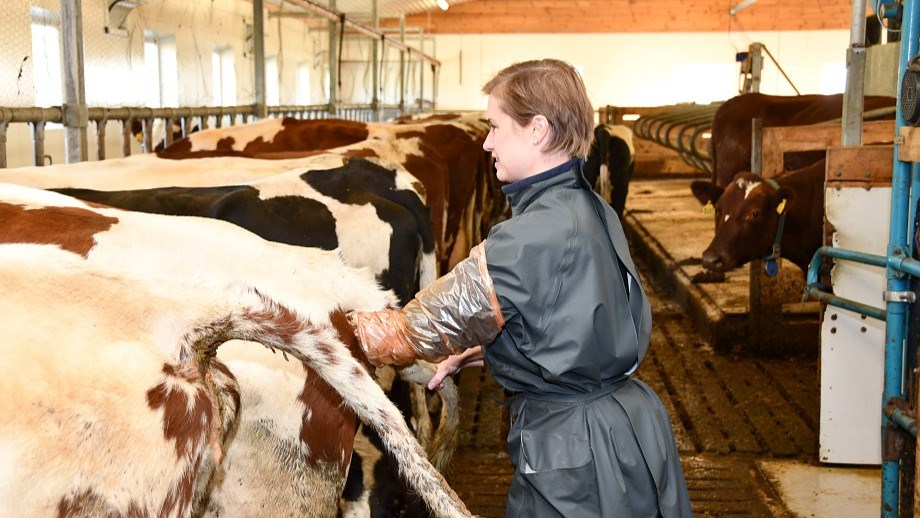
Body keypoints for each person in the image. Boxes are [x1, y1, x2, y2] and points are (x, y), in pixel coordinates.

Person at [348, 59, 692, 517]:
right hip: (627, 430)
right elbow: (575, 320)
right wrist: (491, 350)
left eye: (495, 126)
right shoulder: (591, 207)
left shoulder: (526, 238)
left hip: (574, 457)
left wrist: (305, 320)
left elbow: (402, 334)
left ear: (538, 130)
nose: (486, 142)